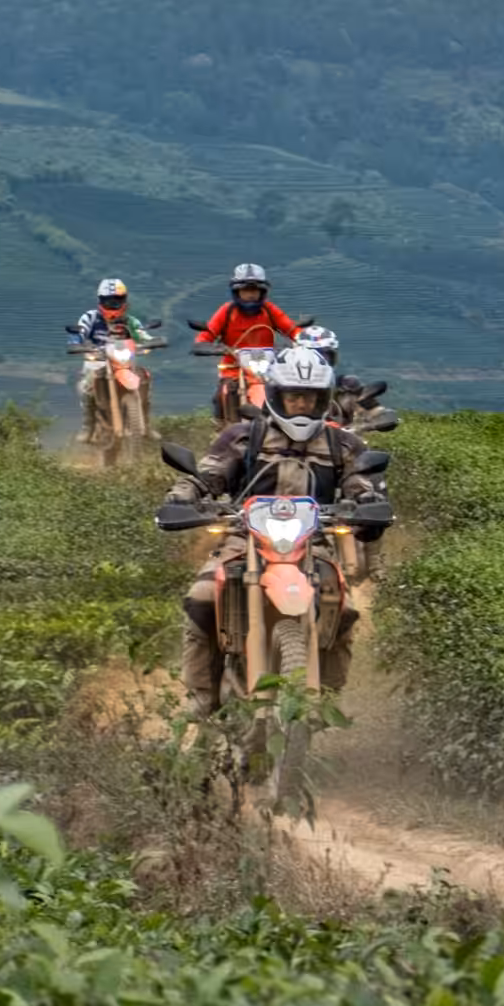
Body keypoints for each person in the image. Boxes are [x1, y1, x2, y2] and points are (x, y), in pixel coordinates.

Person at [169, 344, 393, 718]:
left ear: (323, 399)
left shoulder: (342, 443)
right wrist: (183, 495)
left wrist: (368, 501)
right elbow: (208, 474)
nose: (302, 404)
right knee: (202, 598)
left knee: (345, 610)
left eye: (311, 397)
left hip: (313, 543)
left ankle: (327, 697)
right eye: (294, 396)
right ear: (276, 395)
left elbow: (359, 481)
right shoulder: (243, 436)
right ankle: (202, 696)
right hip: (244, 540)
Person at [195, 263, 301, 423]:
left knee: (292, 389)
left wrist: (302, 338)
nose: (251, 294)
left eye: (255, 290)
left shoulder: (269, 310)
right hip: (233, 367)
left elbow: (291, 328)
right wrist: (204, 345)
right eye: (245, 290)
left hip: (269, 368)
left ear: (262, 292)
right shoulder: (226, 311)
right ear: (237, 292)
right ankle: (222, 427)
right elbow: (206, 335)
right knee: (223, 393)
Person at [68, 278, 152, 436]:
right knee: (87, 385)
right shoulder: (90, 317)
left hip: (123, 361)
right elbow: (80, 331)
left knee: (144, 376)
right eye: (108, 301)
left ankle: (146, 424)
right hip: (97, 360)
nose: (113, 305)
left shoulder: (131, 321)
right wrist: (76, 342)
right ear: (100, 301)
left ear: (124, 301)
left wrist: (151, 341)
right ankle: (88, 426)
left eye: (117, 301)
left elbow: (142, 334)